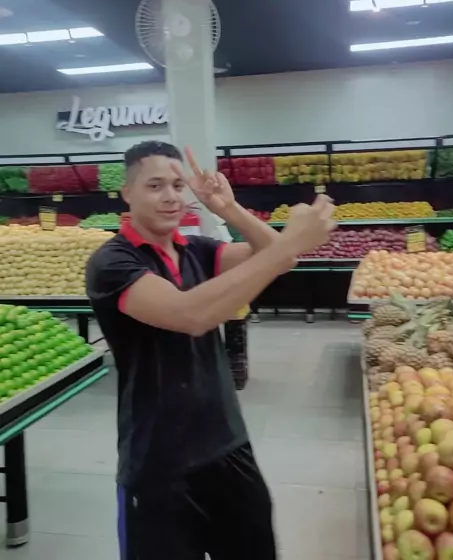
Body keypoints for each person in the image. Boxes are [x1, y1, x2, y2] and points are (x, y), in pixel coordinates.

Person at [86, 140, 335, 560]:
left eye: (177, 185)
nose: (171, 197)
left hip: (226, 443)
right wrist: (290, 242)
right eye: (155, 186)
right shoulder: (112, 263)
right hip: (158, 462)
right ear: (127, 193)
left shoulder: (198, 250)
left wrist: (228, 209)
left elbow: (277, 257)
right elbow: (191, 314)